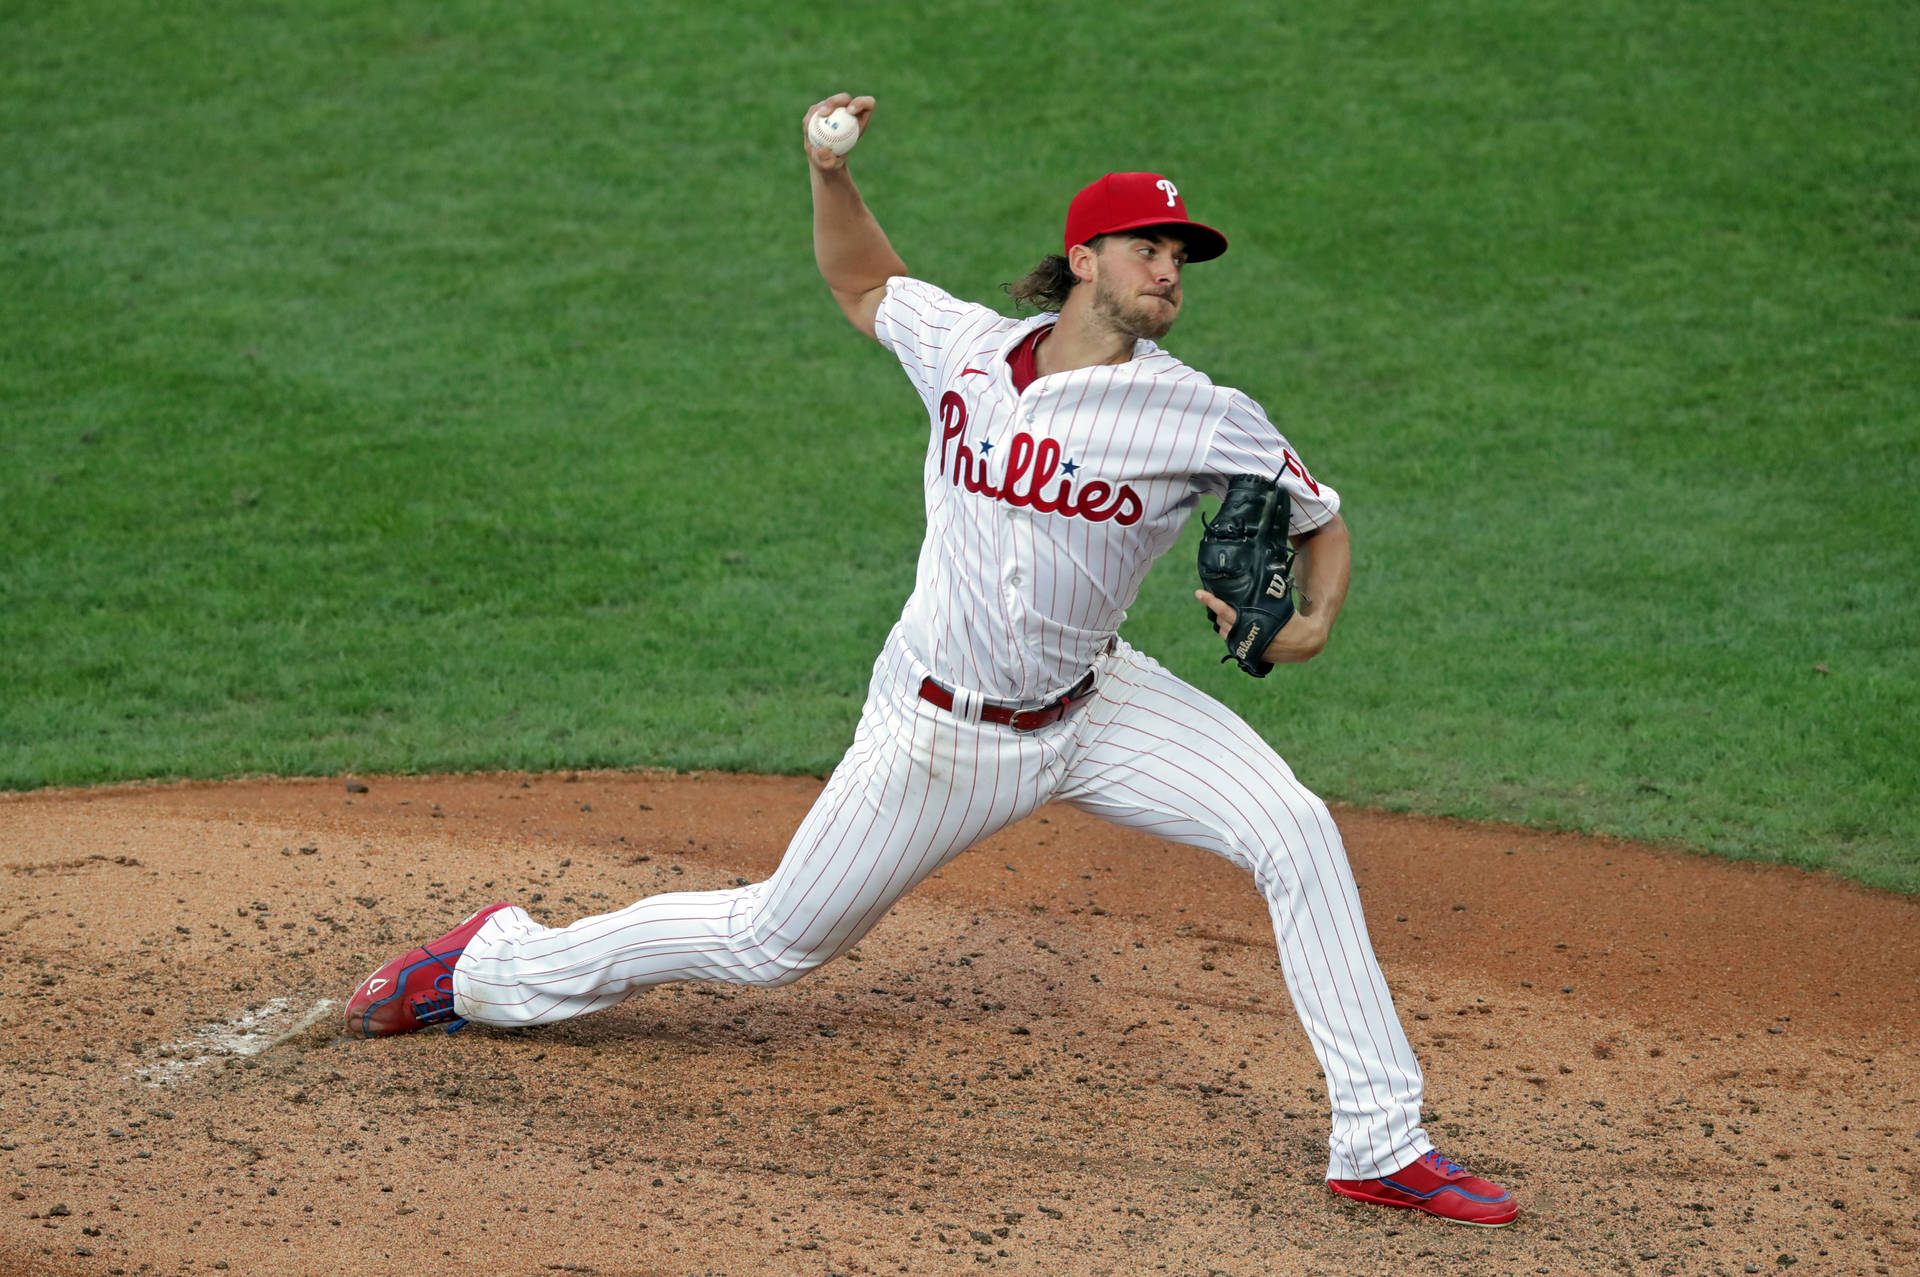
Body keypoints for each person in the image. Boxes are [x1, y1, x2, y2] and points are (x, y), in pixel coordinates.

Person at [344, 92, 1518, 1229]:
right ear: (1081, 259)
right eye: (1147, 246)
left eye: (1181, 254)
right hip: (936, 729)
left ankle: (1380, 1141)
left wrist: (1311, 622)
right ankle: (493, 965)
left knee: (1295, 829)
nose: (1169, 268)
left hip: (1097, 704)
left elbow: (1317, 514)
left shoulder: (1201, 412)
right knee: (771, 941)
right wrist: (829, 172)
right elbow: (862, 282)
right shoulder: (963, 348)